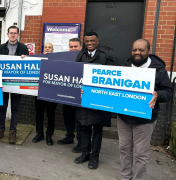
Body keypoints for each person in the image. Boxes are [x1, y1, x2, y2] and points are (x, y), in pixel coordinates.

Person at [117, 39, 172, 180]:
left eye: (141, 50)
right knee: (124, 149)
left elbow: (168, 92)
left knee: (140, 154)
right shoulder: (124, 66)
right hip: (124, 117)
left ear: (148, 51)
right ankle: (125, 176)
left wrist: (158, 95)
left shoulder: (159, 70)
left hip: (145, 119)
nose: (137, 53)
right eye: (135, 50)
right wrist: (88, 91)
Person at [74, 32, 118, 169]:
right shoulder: (81, 55)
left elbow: (113, 77)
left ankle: (94, 157)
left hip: (99, 101)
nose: (89, 43)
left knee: (97, 131)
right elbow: (76, 74)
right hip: (84, 100)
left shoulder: (106, 57)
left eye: (92, 41)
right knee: (84, 127)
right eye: (87, 41)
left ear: (97, 41)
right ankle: (85, 153)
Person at [0, 26, 29, 144]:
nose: (12, 35)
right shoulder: (1, 47)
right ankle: (0, 129)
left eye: (15, 33)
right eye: (11, 33)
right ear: (7, 34)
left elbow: (28, 64)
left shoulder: (23, 48)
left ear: (18, 35)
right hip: (4, 82)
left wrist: (27, 59)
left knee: (15, 108)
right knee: (2, 107)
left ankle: (13, 131)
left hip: (17, 83)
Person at [57, 38, 83, 153]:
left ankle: (81, 143)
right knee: (68, 116)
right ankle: (69, 137)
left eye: (75, 46)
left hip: (80, 95)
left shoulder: (85, 58)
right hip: (67, 93)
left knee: (80, 120)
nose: (73, 49)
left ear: (80, 47)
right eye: (71, 47)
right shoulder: (66, 58)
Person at [32, 42, 57, 146]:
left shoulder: (57, 61)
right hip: (39, 92)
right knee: (39, 114)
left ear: (53, 49)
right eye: (45, 47)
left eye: (49, 47)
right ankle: (39, 133)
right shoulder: (38, 59)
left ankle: (49, 135)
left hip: (52, 92)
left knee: (51, 115)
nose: (47, 49)